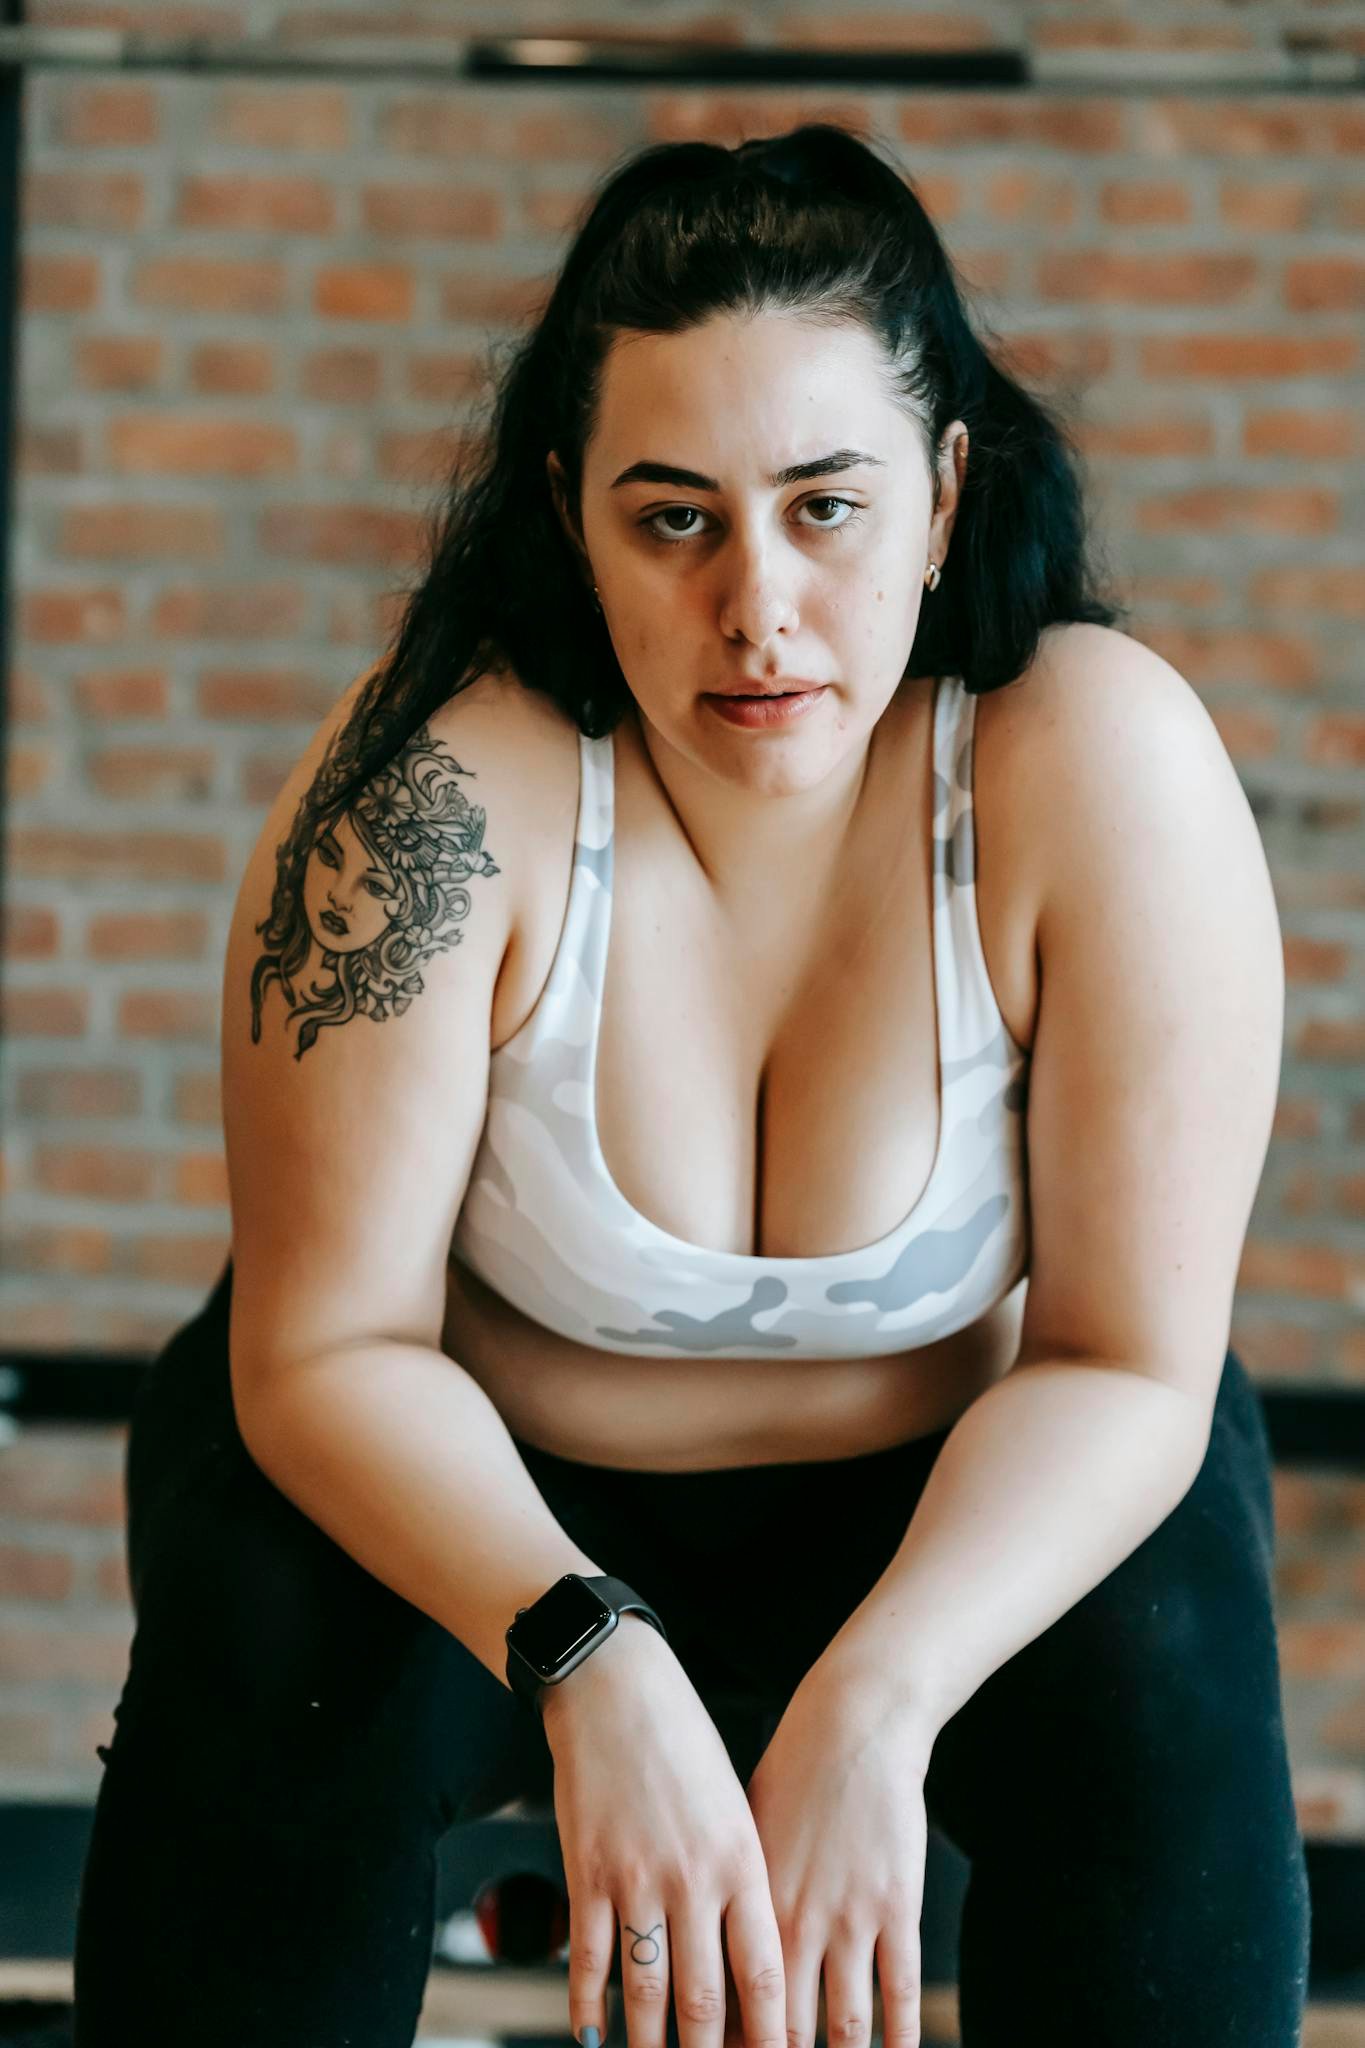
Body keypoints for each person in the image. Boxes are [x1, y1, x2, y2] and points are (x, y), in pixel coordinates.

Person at [71, 123, 1310, 2047]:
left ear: (943, 487)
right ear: (572, 510)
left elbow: (1132, 1363)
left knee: (1159, 1686)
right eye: (675, 517)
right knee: (268, 1652)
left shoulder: (1100, 768)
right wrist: (584, 1646)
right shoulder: (428, 803)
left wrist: (880, 1692)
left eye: (825, 506)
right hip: (473, 1497)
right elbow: (322, 1351)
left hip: (959, 1504)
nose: (756, 608)